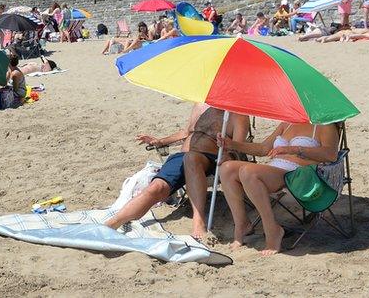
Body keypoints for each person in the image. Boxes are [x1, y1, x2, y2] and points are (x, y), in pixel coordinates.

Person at [104, 104, 250, 240]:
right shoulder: (200, 105)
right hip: (182, 156)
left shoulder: (238, 115)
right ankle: (113, 224)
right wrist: (161, 141)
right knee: (157, 188)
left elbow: (239, 148)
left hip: (211, 159)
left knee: (192, 158)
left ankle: (198, 223)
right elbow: (187, 133)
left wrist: (228, 152)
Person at [217, 122, 339, 255]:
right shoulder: (287, 124)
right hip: (274, 171)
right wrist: (232, 145)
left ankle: (272, 229)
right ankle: (242, 224)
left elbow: (330, 154)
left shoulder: (324, 125)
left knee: (248, 172)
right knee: (226, 168)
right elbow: (263, 149)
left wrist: (294, 149)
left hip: (297, 176)